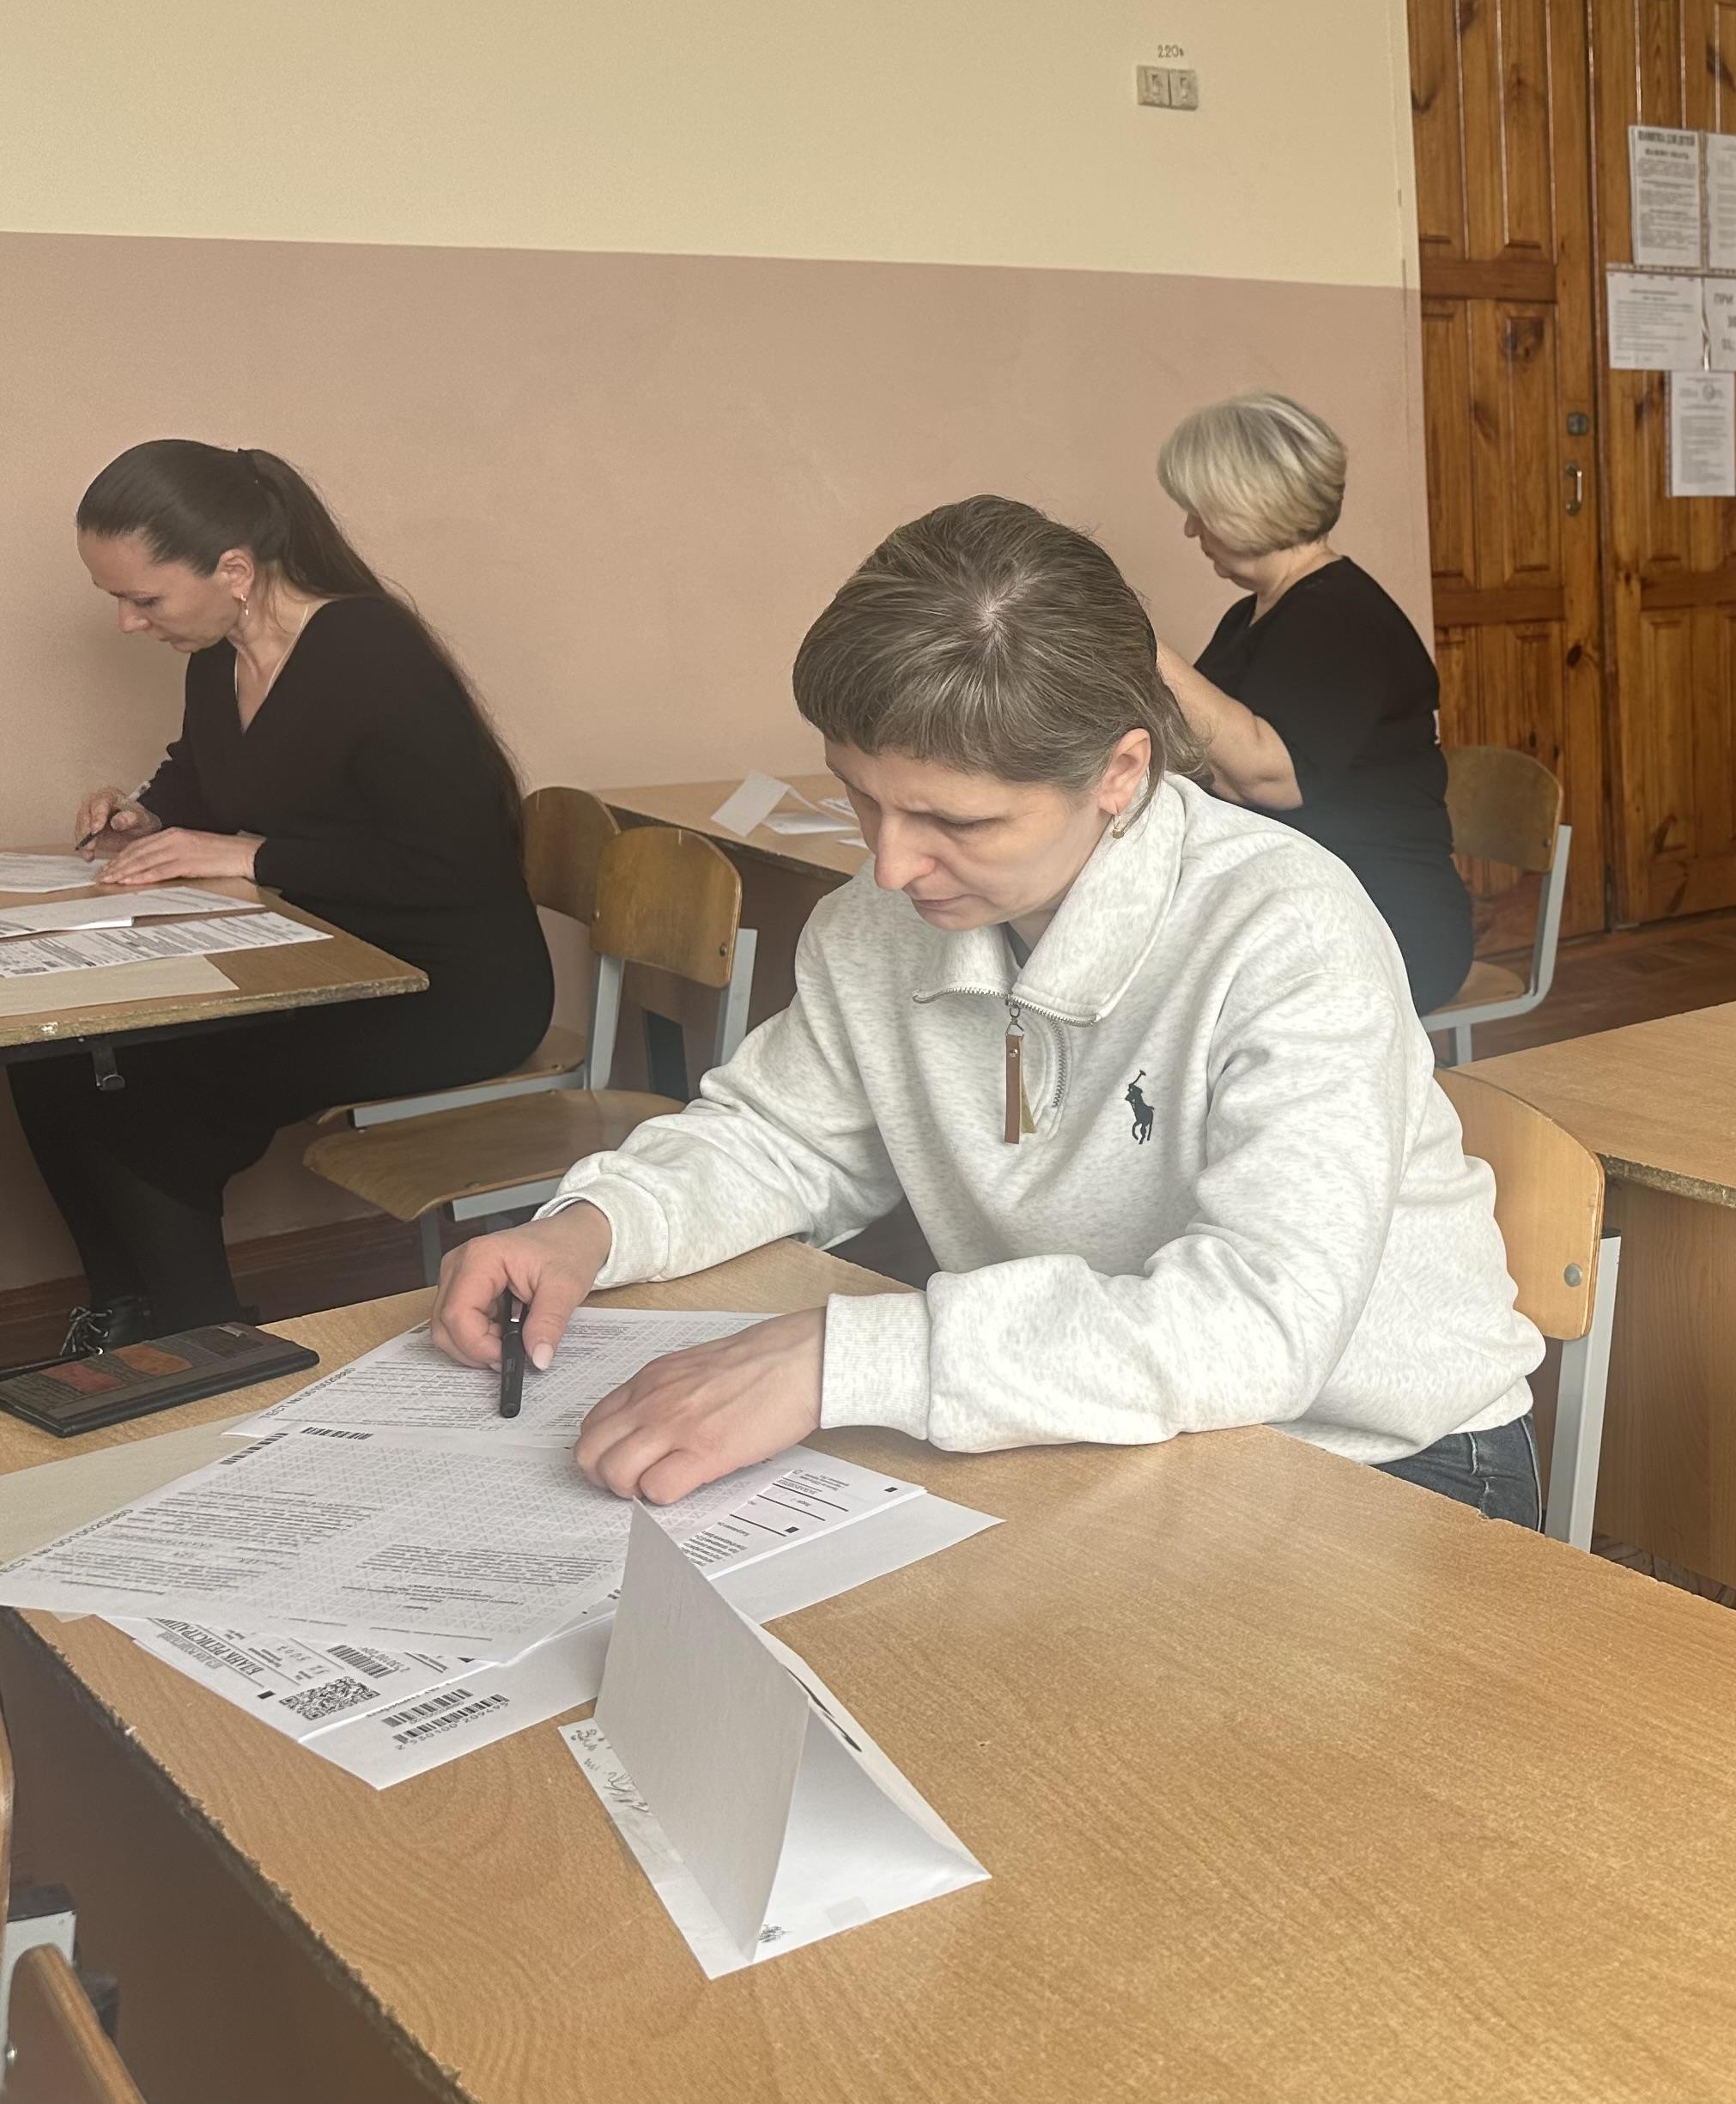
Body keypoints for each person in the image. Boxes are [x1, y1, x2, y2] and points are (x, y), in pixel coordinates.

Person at [423, 494, 1547, 1525]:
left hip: (1381, 1456)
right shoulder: (877, 921)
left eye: (957, 823)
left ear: (1120, 773)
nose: (891, 864)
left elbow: (1260, 1325)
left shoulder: (1286, 929)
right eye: (863, 798)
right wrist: (593, 1227)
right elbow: (782, 1137)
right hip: (1111, 1427)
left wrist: (837, 1361)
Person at [11, 442, 550, 1346]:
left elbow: (451, 864)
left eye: (144, 599)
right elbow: (204, 775)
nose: (127, 624)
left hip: (449, 988)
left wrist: (248, 855)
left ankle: (206, 1351)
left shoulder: (371, 650)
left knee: (149, 1094)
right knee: (49, 1058)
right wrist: (146, 816)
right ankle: (125, 1322)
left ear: (234, 570)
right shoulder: (216, 656)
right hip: (317, 960)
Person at [1147, 393, 1475, 1015]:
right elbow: (1209, 759)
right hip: (1300, 907)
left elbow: (1269, 778)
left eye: (1199, 510)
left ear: (1244, 504)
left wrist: (1144, 647)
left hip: (1384, 924)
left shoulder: (1341, 618)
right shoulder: (1252, 615)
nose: (1191, 529)